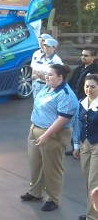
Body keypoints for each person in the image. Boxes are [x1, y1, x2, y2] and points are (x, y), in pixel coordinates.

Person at [20, 64, 78, 212]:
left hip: (53, 134)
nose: (47, 76)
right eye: (47, 74)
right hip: (36, 129)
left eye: (50, 74)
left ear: (60, 77)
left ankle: (53, 198)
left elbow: (62, 119)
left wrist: (46, 135)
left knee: (53, 168)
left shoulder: (65, 94)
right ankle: (35, 192)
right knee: (35, 164)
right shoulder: (48, 87)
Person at [73, 74, 98, 220]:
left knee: (94, 182)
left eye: (93, 87)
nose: (89, 89)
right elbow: (78, 125)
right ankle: (92, 211)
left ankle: (92, 217)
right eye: (87, 86)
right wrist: (76, 145)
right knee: (88, 181)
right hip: (85, 145)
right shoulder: (81, 102)